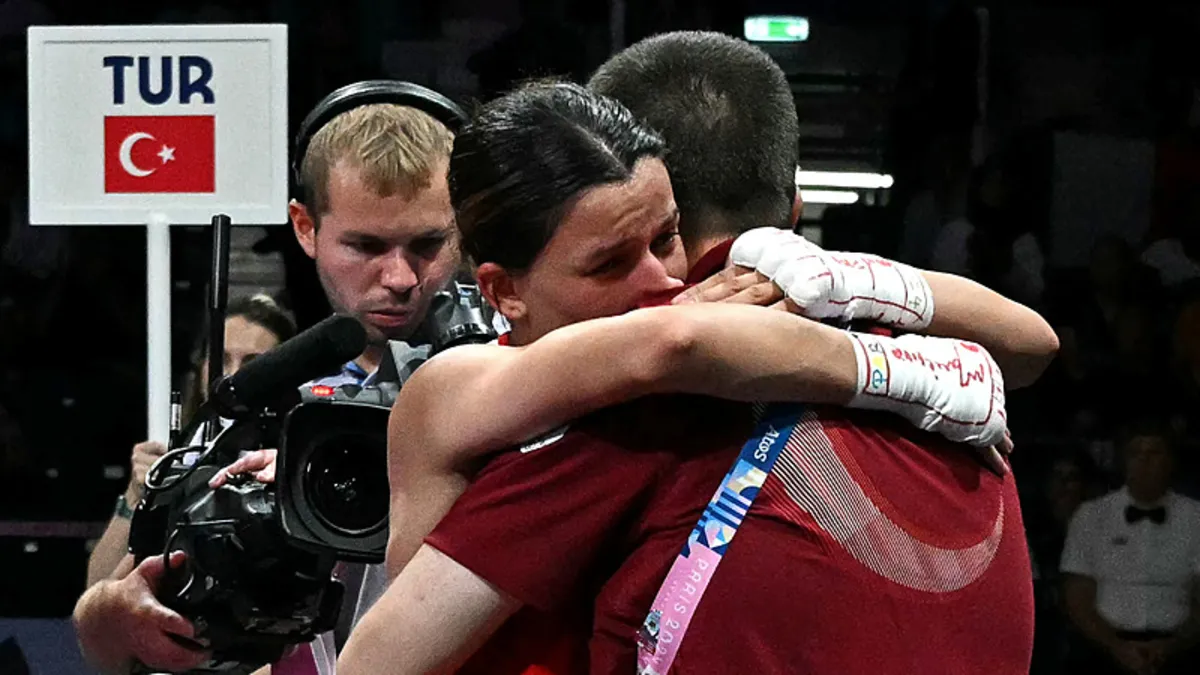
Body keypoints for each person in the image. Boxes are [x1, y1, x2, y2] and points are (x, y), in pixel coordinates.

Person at [338, 68, 1052, 675]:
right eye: (611, 263)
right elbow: (671, 340)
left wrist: (841, 278)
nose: (660, 280)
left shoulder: (690, 370)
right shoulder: (475, 388)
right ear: (504, 291)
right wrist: (908, 371)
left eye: (667, 238)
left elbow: (1037, 340)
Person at [73, 81, 467, 675]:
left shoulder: (532, 376)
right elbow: (116, 644)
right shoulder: (257, 406)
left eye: (427, 244)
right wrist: (104, 616)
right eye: (365, 245)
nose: (400, 276)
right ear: (305, 228)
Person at [85, 294, 296, 586]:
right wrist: (136, 495)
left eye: (252, 363)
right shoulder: (174, 455)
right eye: (221, 360)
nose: (232, 376)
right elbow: (98, 588)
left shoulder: (299, 458)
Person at [1061, 418, 1200, 675]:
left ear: (1170, 460)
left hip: (1181, 653)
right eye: (1136, 453)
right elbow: (1077, 595)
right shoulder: (1091, 515)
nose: (1145, 462)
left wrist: (1173, 646)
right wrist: (1115, 646)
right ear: (1123, 461)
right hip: (1104, 651)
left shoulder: (1196, 518)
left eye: (1154, 452)